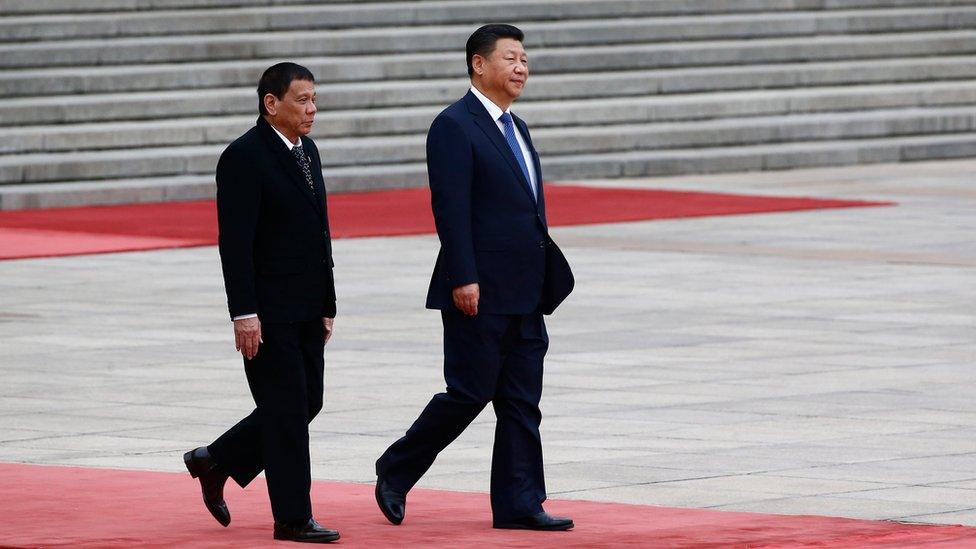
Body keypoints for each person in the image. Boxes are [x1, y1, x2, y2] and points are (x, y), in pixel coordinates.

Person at [374, 24, 575, 531]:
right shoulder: (454, 125)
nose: (521, 68)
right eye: (510, 58)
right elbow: (451, 209)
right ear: (478, 65)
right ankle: (395, 469)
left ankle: (520, 503)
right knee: (469, 392)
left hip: (526, 289)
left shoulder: (519, 127)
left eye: (525, 59)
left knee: (522, 402)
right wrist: (463, 276)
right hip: (478, 288)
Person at [183, 62, 340, 544]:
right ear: (271, 103)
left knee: (305, 401)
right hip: (268, 312)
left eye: (315, 100)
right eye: (302, 100)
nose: (312, 110)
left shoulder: (306, 150)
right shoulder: (243, 157)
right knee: (289, 412)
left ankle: (216, 460)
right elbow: (236, 244)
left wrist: (327, 302)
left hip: (308, 306)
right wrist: (244, 313)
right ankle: (292, 518)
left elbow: (319, 232)